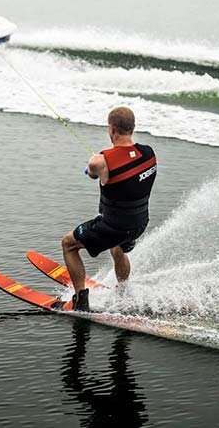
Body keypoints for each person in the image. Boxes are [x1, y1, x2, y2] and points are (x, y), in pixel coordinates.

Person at [55, 107, 157, 312]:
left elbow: (93, 172)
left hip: (114, 226)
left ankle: (80, 300)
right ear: (133, 128)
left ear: (111, 129)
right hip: (139, 223)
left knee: (68, 244)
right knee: (117, 248)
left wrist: (93, 167)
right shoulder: (148, 153)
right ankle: (123, 292)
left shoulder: (100, 161)